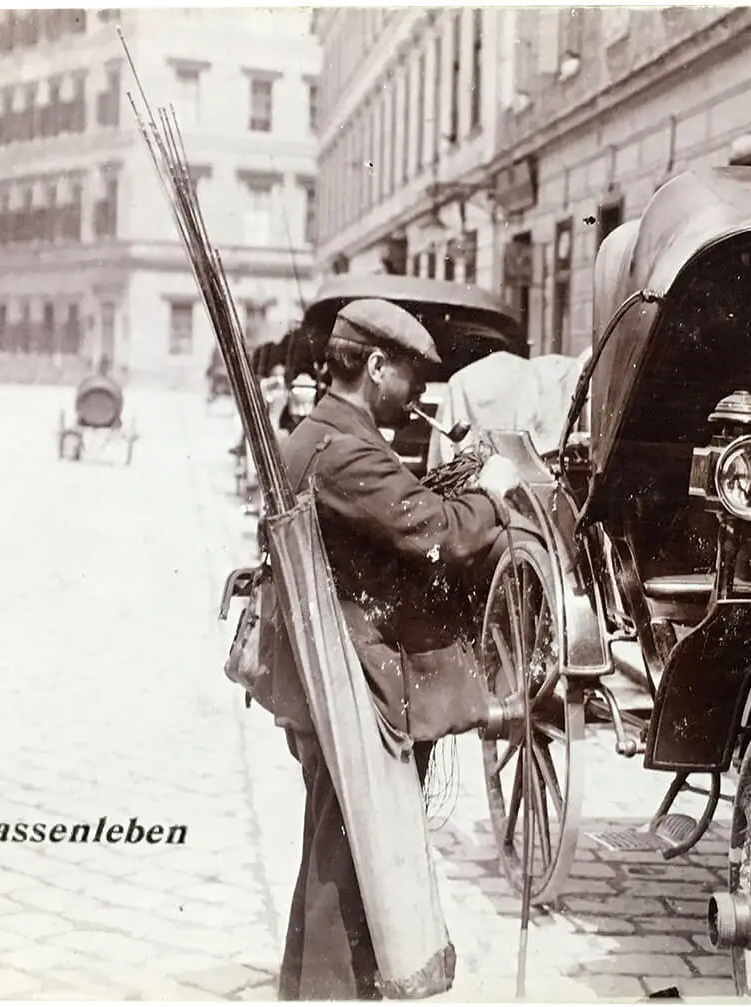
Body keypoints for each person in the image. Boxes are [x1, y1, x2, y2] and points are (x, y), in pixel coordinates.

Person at [249, 298, 521, 1000]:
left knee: (333, 842)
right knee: (349, 848)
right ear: (374, 366)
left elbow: (395, 516)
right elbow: (433, 534)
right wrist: (490, 496)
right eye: (409, 376)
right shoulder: (348, 450)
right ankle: (332, 991)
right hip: (355, 681)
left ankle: (313, 983)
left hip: (327, 674)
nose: (418, 394)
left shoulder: (316, 435)